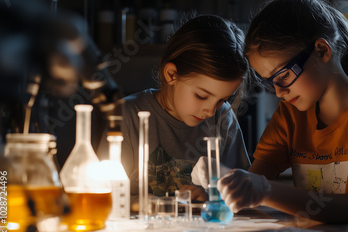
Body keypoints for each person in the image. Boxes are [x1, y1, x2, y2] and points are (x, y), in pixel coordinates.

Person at [193, 0, 348, 225]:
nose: (278, 92)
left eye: (283, 76)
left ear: (322, 51)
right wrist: (221, 187)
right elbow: (255, 181)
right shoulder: (290, 115)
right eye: (269, 82)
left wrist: (264, 191)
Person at [101, 14, 252, 206]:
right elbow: (101, 193)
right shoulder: (126, 117)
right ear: (171, 74)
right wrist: (146, 204)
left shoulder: (223, 118)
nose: (211, 111)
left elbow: (242, 194)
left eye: (222, 100)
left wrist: (209, 198)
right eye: (202, 96)